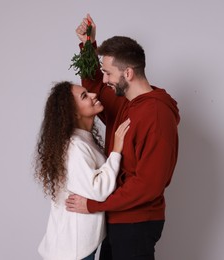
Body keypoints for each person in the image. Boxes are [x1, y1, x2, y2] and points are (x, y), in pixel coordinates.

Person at [65, 14, 180, 260]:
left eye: (107, 73)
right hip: (116, 219)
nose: (104, 79)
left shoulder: (156, 115)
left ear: (127, 73)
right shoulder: (125, 103)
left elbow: (149, 185)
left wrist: (92, 205)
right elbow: (93, 87)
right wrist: (87, 44)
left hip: (136, 223)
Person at [35, 81, 130, 260]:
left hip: (76, 248)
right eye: (85, 96)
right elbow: (98, 191)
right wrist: (116, 151)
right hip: (71, 251)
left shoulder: (84, 140)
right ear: (74, 112)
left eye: (88, 92)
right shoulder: (74, 146)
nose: (94, 95)